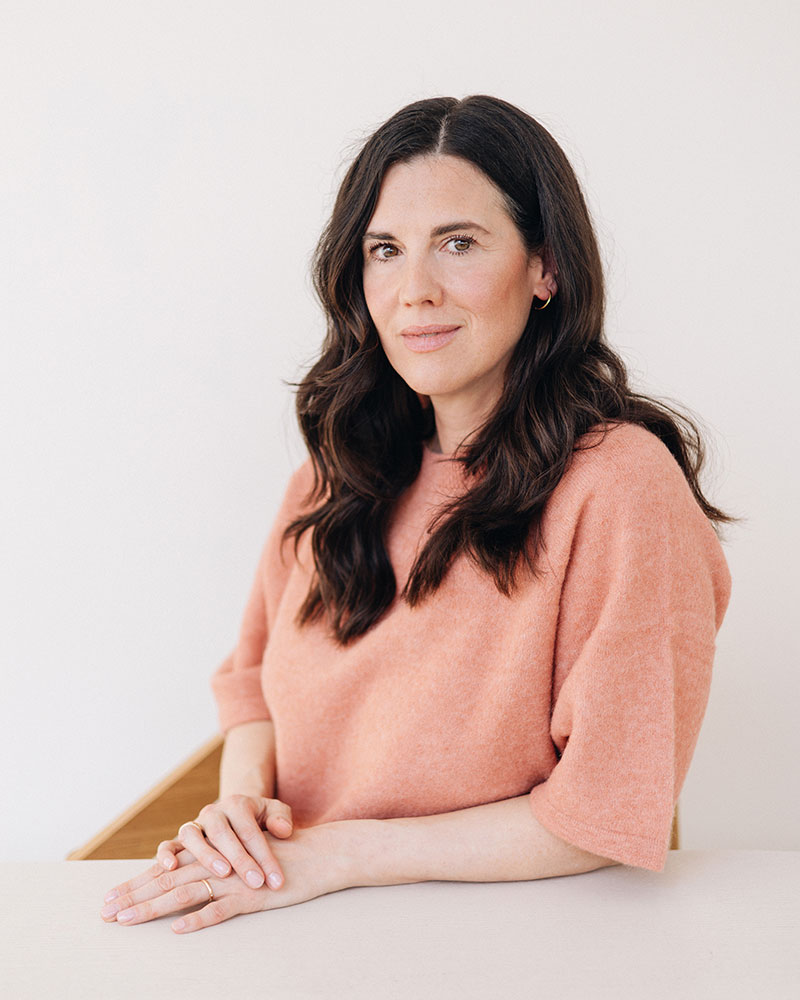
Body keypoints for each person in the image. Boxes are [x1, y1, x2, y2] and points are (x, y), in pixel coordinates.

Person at [100, 94, 735, 934]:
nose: (415, 291)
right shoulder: (331, 479)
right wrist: (243, 815)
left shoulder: (620, 487)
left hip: (510, 946)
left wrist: (337, 856)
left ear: (545, 268)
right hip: (293, 927)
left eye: (458, 243)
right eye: (386, 250)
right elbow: (250, 689)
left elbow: (603, 811)